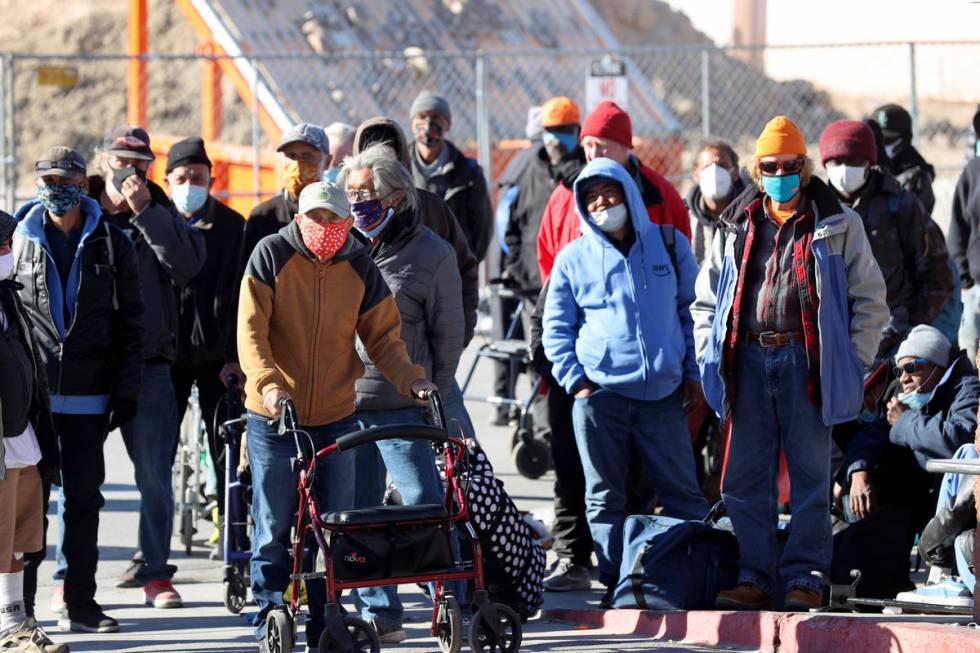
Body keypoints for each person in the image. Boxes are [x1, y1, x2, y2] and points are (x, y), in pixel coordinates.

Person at [692, 116, 888, 611]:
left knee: (810, 477)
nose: (781, 173)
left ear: (804, 168)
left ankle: (805, 577)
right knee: (743, 478)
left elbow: (871, 301)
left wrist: (849, 361)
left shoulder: (839, 223)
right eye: (770, 166)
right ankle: (755, 576)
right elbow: (704, 300)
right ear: (757, 172)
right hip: (748, 360)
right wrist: (708, 355)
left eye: (790, 165)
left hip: (808, 363)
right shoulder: (737, 224)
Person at [238, 180, 437, 649]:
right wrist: (268, 386)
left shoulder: (359, 264)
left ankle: (326, 611)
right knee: (274, 524)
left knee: (332, 526)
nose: (325, 228)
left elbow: (384, 338)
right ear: (299, 217)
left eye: (334, 219)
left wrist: (411, 378)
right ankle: (270, 609)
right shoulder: (270, 255)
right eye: (316, 218)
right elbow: (251, 333)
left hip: (334, 415)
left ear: (348, 222)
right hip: (274, 416)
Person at [542, 157, 710, 608]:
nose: (602, 203)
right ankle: (618, 582)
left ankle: (690, 573)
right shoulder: (573, 258)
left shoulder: (669, 244)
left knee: (683, 495)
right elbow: (555, 328)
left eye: (609, 193)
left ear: (628, 194)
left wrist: (692, 373)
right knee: (603, 497)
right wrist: (576, 382)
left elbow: (693, 313)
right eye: (592, 197)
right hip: (600, 399)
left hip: (663, 398)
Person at [15, 147, 143, 634]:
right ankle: (22, 611)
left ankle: (82, 602)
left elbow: (134, 324)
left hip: (91, 399)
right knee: (30, 506)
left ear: (83, 185)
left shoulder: (113, 243)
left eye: (64, 179)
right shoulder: (18, 242)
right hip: (33, 403)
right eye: (46, 179)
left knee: (85, 502)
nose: (55, 188)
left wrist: (126, 390)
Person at [341, 145, 464, 642]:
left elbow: (448, 336)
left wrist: (428, 387)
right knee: (359, 515)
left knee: (423, 506)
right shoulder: (340, 244)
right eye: (351, 194)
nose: (356, 204)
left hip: (401, 407)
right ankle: (382, 614)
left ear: (396, 196)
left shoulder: (432, 253)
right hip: (344, 406)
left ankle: (445, 602)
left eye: (366, 194)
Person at [87, 125, 207, 607]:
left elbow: (187, 263)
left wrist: (144, 212)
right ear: (103, 164)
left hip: (149, 367)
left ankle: (157, 572)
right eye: (121, 163)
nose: (131, 174)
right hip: (88, 368)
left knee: (154, 476)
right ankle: (70, 578)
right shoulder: (82, 208)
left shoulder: (158, 209)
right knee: (78, 477)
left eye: (140, 165)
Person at [351, 117, 478, 439]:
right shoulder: (346, 223)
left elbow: (464, 270)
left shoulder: (431, 208)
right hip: (359, 380)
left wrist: (456, 336)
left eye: (390, 154)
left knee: (462, 453)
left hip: (426, 368)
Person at [164, 137, 245, 559]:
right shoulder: (156, 224)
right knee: (158, 453)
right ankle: (154, 549)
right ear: (167, 181)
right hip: (169, 357)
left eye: (197, 177)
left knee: (223, 446)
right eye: (182, 178)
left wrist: (235, 355)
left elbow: (240, 296)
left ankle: (230, 528)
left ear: (211, 179)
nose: (190, 184)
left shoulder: (233, 226)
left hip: (217, 356)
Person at [819, 119, 953, 356]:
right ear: (826, 163)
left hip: (895, 341)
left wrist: (912, 326)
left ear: (869, 162)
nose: (845, 169)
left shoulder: (900, 204)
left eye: (855, 161)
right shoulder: (817, 209)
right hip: (834, 341)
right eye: (838, 161)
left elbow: (937, 272)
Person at [0, 211, 67, 653]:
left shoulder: (7, 297)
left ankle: (16, 622)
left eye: (8, 245)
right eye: (1, 246)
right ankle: (10, 628)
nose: (8, 253)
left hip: (19, 437)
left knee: (21, 537)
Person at [839, 326, 978, 532]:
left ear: (937, 366)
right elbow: (870, 435)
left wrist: (904, 420)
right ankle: (868, 562)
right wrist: (858, 471)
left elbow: (958, 442)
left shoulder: (967, 389)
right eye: (899, 370)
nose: (903, 378)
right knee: (862, 480)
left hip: (954, 505)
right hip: (920, 496)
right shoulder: (911, 398)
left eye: (911, 368)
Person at [537, 99, 690, 284]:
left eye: (601, 145)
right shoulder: (565, 195)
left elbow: (682, 254)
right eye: (588, 145)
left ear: (623, 145)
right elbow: (547, 257)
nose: (593, 154)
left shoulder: (659, 193)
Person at [503, 96, 581, 295]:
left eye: (563, 131)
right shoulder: (531, 172)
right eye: (549, 131)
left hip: (575, 286)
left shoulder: (586, 175)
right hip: (532, 285)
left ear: (577, 132)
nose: (555, 139)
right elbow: (513, 224)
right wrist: (518, 267)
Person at [408, 90, 493, 262]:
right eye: (422, 116)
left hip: (453, 271)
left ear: (448, 124)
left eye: (436, 117)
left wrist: (464, 266)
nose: (428, 123)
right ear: (412, 123)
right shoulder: (398, 167)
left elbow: (482, 229)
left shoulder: (469, 173)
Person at [242, 123, 331, 266]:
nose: (298, 164)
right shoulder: (263, 216)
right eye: (291, 155)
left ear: (327, 161)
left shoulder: (336, 215)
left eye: (307, 156)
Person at [686, 140, 746, 266]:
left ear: (735, 172)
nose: (714, 171)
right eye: (707, 167)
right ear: (696, 175)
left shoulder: (749, 215)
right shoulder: (684, 215)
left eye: (722, 166)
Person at [871, 103, 936, 216]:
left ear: (904, 140)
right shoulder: (867, 165)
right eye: (877, 140)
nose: (881, 146)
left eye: (887, 140)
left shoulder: (917, 177)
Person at [948, 146, 980, 362]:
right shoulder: (974, 170)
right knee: (970, 359)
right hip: (976, 290)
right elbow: (958, 229)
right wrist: (965, 281)